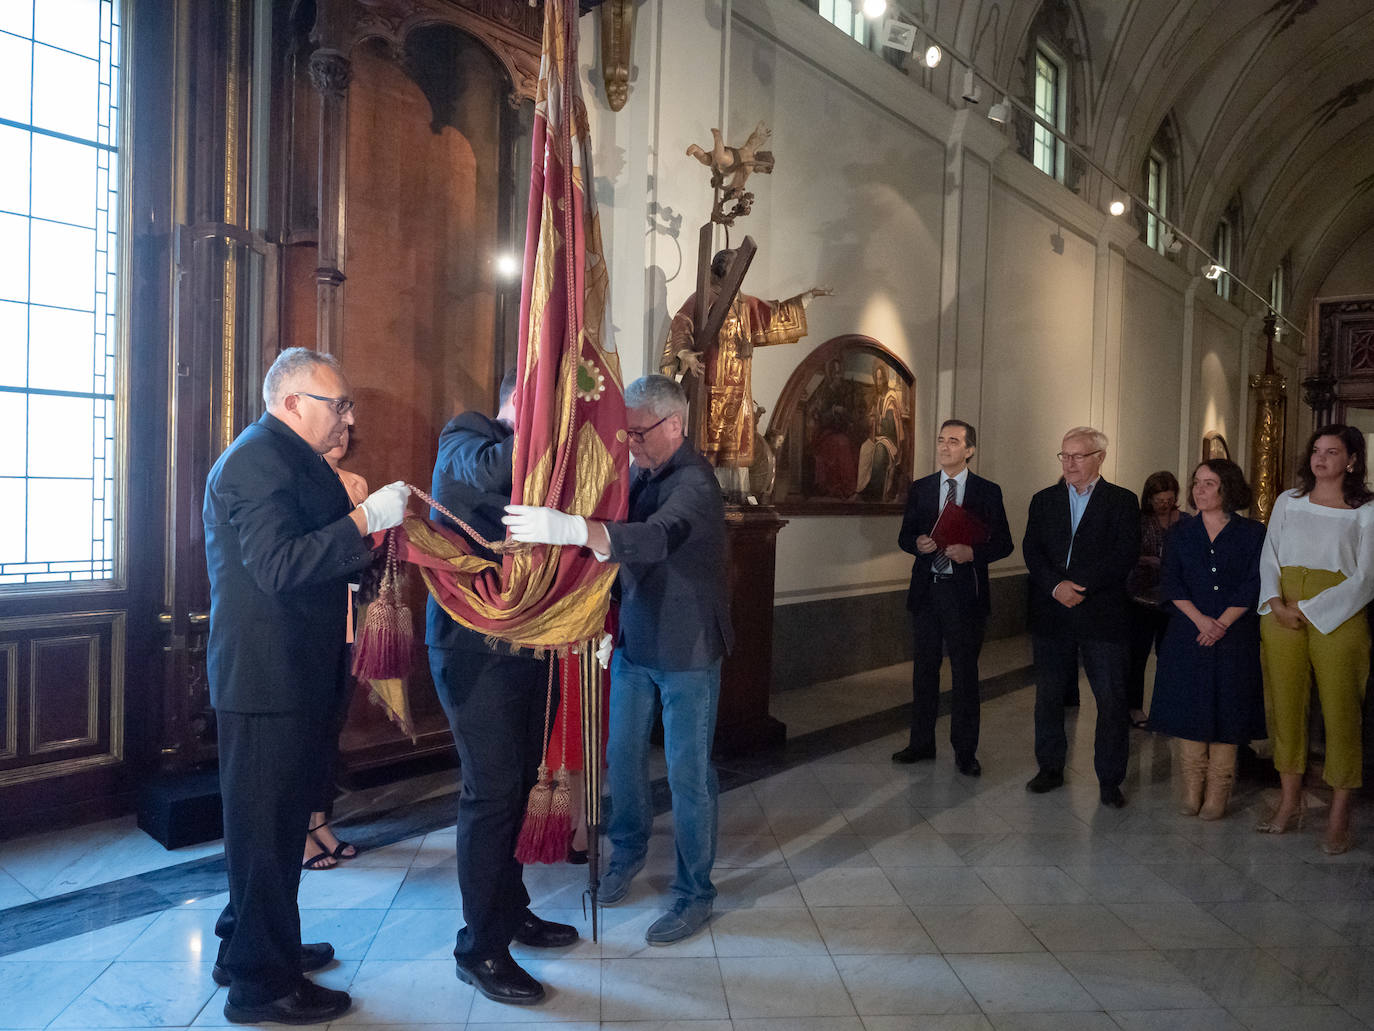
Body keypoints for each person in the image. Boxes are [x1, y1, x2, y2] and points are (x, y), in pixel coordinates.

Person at [203, 347, 408, 1025]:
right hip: (267, 678)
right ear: (291, 402)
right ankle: (263, 986)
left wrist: (358, 519)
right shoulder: (258, 460)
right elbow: (281, 566)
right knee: (264, 832)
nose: (347, 415)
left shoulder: (287, 458)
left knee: (276, 827)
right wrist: (363, 520)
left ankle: (253, 945)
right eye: (337, 404)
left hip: (296, 669)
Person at [503, 374, 733, 946]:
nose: (629, 444)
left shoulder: (696, 483)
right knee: (622, 758)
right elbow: (620, 547)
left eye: (638, 433)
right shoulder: (643, 472)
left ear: (674, 425)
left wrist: (577, 529)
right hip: (634, 640)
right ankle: (626, 854)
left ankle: (695, 891)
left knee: (687, 776)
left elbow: (654, 538)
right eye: (624, 433)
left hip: (687, 650)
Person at [426, 370, 580, 1006]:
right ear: (517, 402)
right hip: (473, 651)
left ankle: (511, 910)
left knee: (517, 787)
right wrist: (546, 430)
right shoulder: (466, 434)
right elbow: (490, 474)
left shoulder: (544, 462)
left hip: (529, 644)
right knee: (489, 795)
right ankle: (479, 947)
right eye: (541, 407)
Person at [1257, 424, 1374, 855]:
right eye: (1316, 451)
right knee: (1284, 706)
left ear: (1352, 460)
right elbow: (1270, 554)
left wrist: (1311, 608)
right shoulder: (1289, 501)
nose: (1320, 458)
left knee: (1342, 710)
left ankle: (1340, 812)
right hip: (1281, 609)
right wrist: (1275, 601)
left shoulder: (1367, 510)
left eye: (1332, 452)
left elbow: (1368, 575)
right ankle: (1290, 802)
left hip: (1338, 616)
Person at [1022, 427, 1140, 807]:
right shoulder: (1043, 500)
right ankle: (1049, 767)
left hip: (1102, 614)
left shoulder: (1122, 501)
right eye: (1064, 456)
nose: (1069, 463)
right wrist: (1057, 587)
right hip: (1052, 612)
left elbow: (1123, 554)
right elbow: (1032, 550)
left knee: (1110, 699)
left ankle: (1109, 779)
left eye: (1078, 456)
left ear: (1099, 457)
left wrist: (1080, 586)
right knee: (1049, 696)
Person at [1147, 460, 1266, 820]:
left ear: (1227, 488)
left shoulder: (1252, 533)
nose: (1199, 489)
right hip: (1188, 632)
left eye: (1209, 483)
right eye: (1196, 482)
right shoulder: (1180, 533)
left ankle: (1217, 795)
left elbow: (1254, 582)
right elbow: (1171, 582)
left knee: (1228, 709)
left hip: (1234, 635)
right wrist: (1201, 620)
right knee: (1189, 707)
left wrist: (1222, 623)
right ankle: (1191, 791)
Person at [894, 419, 1013, 776]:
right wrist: (918, 544)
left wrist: (972, 552)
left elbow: (1004, 543)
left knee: (964, 675)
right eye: (941, 440)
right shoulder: (921, 489)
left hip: (965, 597)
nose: (945, 447)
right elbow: (905, 536)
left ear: (970, 450)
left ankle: (965, 752)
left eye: (954, 441)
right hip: (928, 591)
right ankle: (921, 744)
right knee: (924, 673)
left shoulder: (987, 492)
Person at [661, 248, 829, 496]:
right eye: (733, 266)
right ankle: (705, 490)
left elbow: (773, 314)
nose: (739, 272)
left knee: (737, 443)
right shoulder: (705, 297)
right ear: (720, 270)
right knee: (709, 439)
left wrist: (807, 298)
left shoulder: (744, 303)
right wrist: (684, 353)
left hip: (739, 388)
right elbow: (682, 322)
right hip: (712, 384)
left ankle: (734, 491)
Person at [302, 427, 370, 872]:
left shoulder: (356, 483)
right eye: (337, 420)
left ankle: (320, 821)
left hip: (345, 617)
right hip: (309, 620)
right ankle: (300, 832)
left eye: (350, 428)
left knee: (330, 726)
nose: (344, 432)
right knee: (303, 733)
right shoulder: (301, 482)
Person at [1126, 471, 1183, 727]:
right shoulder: (1138, 521)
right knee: (1137, 655)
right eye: (1159, 500)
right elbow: (1125, 553)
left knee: (1169, 655)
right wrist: (1147, 559)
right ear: (1149, 499)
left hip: (1173, 598)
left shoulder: (1185, 521)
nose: (1164, 505)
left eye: (1168, 500)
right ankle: (1134, 707)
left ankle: (1167, 707)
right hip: (1140, 596)